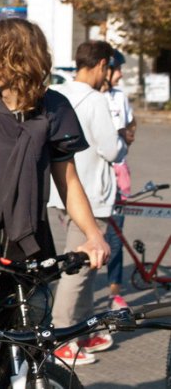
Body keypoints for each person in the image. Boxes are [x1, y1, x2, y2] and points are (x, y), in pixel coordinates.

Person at [0, 18, 110, 386]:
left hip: (30, 253)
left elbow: (68, 180)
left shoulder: (53, 109)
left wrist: (92, 235)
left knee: (30, 358)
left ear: (18, 59)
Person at [49, 40, 127, 365]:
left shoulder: (58, 93)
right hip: (90, 197)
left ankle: (81, 331)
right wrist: (125, 138)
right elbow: (113, 150)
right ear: (101, 65)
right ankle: (62, 336)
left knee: (84, 268)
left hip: (61, 192)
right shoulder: (95, 100)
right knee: (77, 272)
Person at [102, 49, 136, 309]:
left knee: (116, 237)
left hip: (118, 173)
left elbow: (129, 126)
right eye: (118, 69)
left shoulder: (120, 97)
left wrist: (125, 136)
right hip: (95, 179)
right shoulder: (93, 97)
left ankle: (115, 293)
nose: (121, 74)